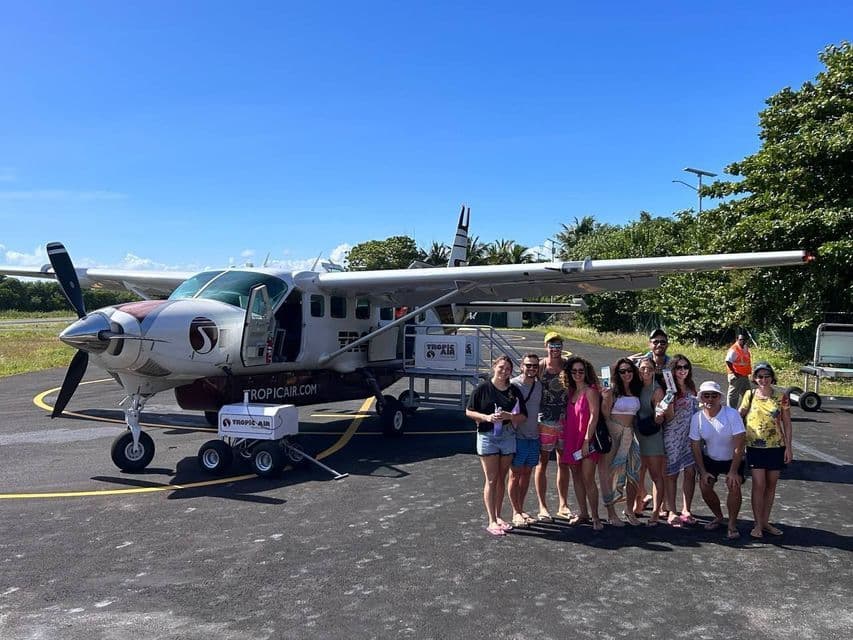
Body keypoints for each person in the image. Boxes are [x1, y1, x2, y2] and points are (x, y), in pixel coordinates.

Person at [466, 355, 528, 536]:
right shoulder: (482, 388)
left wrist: (510, 416)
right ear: (494, 367)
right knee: (491, 479)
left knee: (502, 478)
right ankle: (491, 520)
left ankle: (499, 516)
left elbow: (523, 416)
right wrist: (486, 417)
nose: (504, 371)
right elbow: (469, 411)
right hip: (487, 435)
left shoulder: (514, 391)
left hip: (507, 436)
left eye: (508, 369)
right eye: (501, 367)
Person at [739, 362, 793, 539]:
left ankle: (764, 522)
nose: (763, 379)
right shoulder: (750, 395)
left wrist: (788, 448)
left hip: (776, 446)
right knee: (759, 484)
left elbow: (787, 423)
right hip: (754, 447)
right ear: (755, 378)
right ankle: (757, 524)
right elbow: (739, 415)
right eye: (760, 376)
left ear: (772, 377)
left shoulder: (781, 396)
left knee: (771, 485)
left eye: (767, 376)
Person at [690, 381, 746, 540]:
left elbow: (740, 444)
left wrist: (733, 471)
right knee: (704, 486)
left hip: (733, 459)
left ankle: (732, 524)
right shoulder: (697, 418)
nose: (710, 399)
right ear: (701, 398)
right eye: (706, 395)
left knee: (733, 485)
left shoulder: (732, 414)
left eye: (714, 395)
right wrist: (702, 471)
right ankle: (719, 517)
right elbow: (695, 446)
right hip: (711, 459)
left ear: (719, 397)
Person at [559, 356, 603, 530]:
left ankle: (596, 517)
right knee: (576, 477)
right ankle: (583, 513)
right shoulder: (571, 392)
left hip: (587, 441)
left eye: (581, 371)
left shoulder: (590, 391)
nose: (577, 374)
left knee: (588, 479)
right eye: (574, 371)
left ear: (586, 373)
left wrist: (586, 441)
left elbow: (594, 416)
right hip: (571, 439)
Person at [600, 358, 643, 526]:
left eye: (629, 370)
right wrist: (605, 398)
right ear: (617, 374)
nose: (627, 374)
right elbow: (605, 414)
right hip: (614, 432)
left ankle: (629, 510)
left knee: (633, 473)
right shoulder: (612, 390)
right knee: (609, 473)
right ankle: (611, 513)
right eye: (622, 371)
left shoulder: (636, 389)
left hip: (630, 434)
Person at [658, 354, 698, 527]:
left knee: (690, 472)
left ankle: (686, 509)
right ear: (673, 370)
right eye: (679, 367)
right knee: (672, 473)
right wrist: (670, 401)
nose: (683, 370)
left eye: (685, 367)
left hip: (690, 435)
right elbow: (668, 417)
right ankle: (672, 510)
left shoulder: (691, 386)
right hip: (673, 434)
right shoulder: (668, 388)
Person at [534, 332, 570, 522]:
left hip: (565, 420)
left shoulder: (567, 365)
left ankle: (563, 504)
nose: (555, 349)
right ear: (546, 346)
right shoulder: (540, 367)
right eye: (551, 345)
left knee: (563, 463)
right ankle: (543, 506)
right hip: (545, 421)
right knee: (543, 463)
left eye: (558, 345)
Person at [508, 353, 543, 528]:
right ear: (521, 366)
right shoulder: (513, 385)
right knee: (515, 475)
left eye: (535, 366)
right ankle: (515, 512)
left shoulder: (539, 386)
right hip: (518, 437)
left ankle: (521, 509)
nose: (531, 369)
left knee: (527, 474)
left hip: (534, 437)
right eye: (528, 365)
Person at [635, 357, 667, 526]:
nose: (646, 371)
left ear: (654, 371)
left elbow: (659, 416)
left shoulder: (657, 390)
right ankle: (638, 504)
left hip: (652, 436)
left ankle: (656, 511)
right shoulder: (637, 387)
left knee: (656, 475)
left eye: (649, 368)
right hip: (637, 435)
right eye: (642, 368)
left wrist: (659, 416)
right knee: (638, 474)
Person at [725, 330, 752, 409]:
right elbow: (728, 361)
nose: (742, 341)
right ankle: (731, 410)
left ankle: (746, 410)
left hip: (744, 375)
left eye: (744, 340)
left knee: (747, 393)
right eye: (740, 339)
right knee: (734, 394)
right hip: (736, 375)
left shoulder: (745, 347)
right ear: (737, 339)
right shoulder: (734, 349)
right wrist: (734, 372)